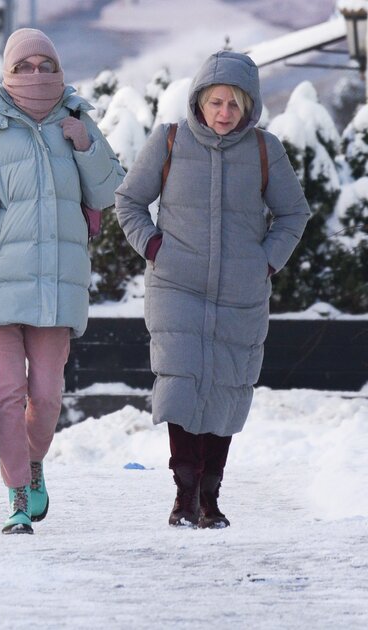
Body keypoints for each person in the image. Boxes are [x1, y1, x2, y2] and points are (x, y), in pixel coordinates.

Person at [114, 51, 310, 529]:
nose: (224, 112)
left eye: (235, 105)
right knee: (181, 384)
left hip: (241, 291)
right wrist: (154, 246)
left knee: (225, 388)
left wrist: (264, 263)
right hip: (176, 285)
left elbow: (293, 214)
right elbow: (129, 201)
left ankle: (211, 495)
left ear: (249, 108)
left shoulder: (266, 150)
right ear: (199, 100)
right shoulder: (170, 140)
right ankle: (184, 495)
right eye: (216, 101)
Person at [0, 29, 125, 534]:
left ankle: (32, 460)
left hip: (57, 283)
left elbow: (111, 191)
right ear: (7, 71)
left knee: (45, 397)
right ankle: (18, 495)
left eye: (47, 64)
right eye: (25, 65)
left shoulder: (78, 120)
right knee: (8, 393)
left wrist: (85, 145)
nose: (37, 74)